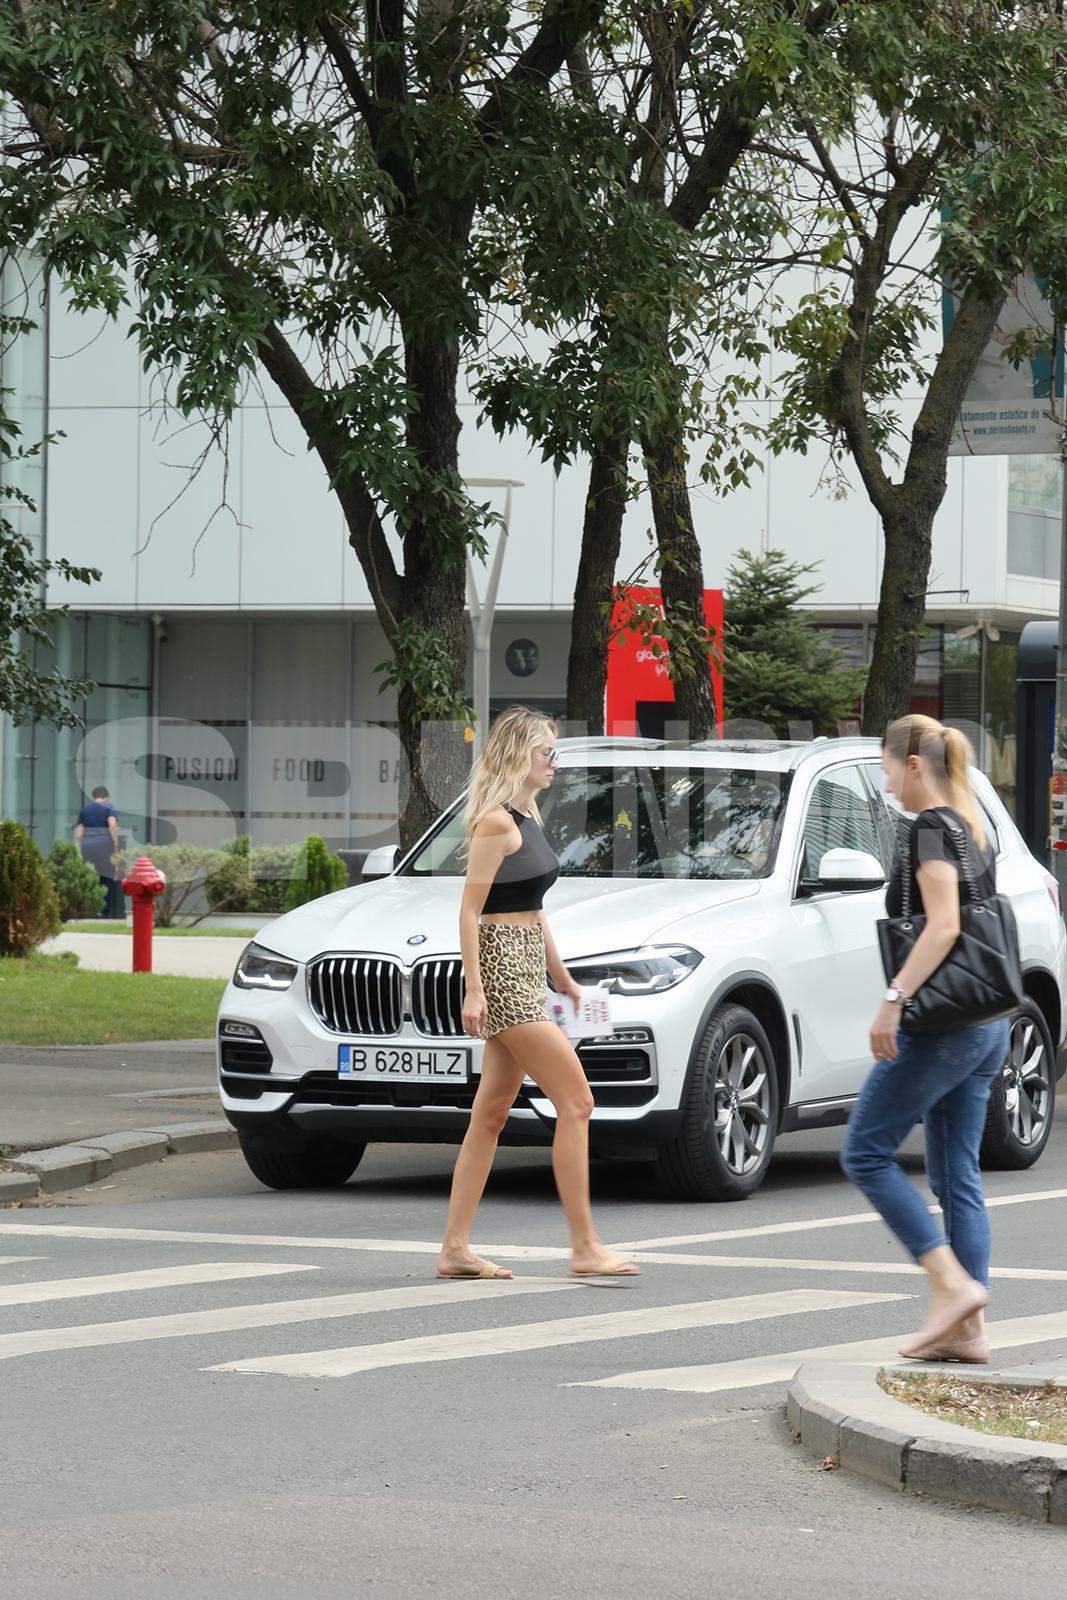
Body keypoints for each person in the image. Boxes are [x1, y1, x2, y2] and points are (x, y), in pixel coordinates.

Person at [436, 706, 639, 1282]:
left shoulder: (528, 813)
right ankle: (584, 1246)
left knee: (492, 1113)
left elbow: (534, 909)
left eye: (554, 752)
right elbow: (470, 912)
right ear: (518, 755)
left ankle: (455, 1249)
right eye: (546, 752)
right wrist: (475, 991)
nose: (555, 762)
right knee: (577, 1102)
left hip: (526, 965)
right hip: (500, 971)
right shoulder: (495, 824)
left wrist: (565, 978)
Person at [841, 714, 1008, 1362]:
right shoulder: (971, 823)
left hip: (943, 1030)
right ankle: (969, 1332)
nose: (883, 785)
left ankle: (949, 1285)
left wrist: (891, 1002)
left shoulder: (932, 828)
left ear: (912, 765)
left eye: (885, 769)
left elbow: (939, 928)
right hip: (985, 1024)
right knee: (955, 1176)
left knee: (864, 1153)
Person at [75, 786, 123, 919]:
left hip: (87, 847)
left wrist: (81, 847)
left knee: (91, 877)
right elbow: (112, 824)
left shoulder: (84, 810)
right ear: (106, 797)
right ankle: (105, 911)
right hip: (105, 846)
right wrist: (116, 843)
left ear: (94, 796)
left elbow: (79, 833)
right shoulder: (109, 807)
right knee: (107, 878)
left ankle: (91, 910)